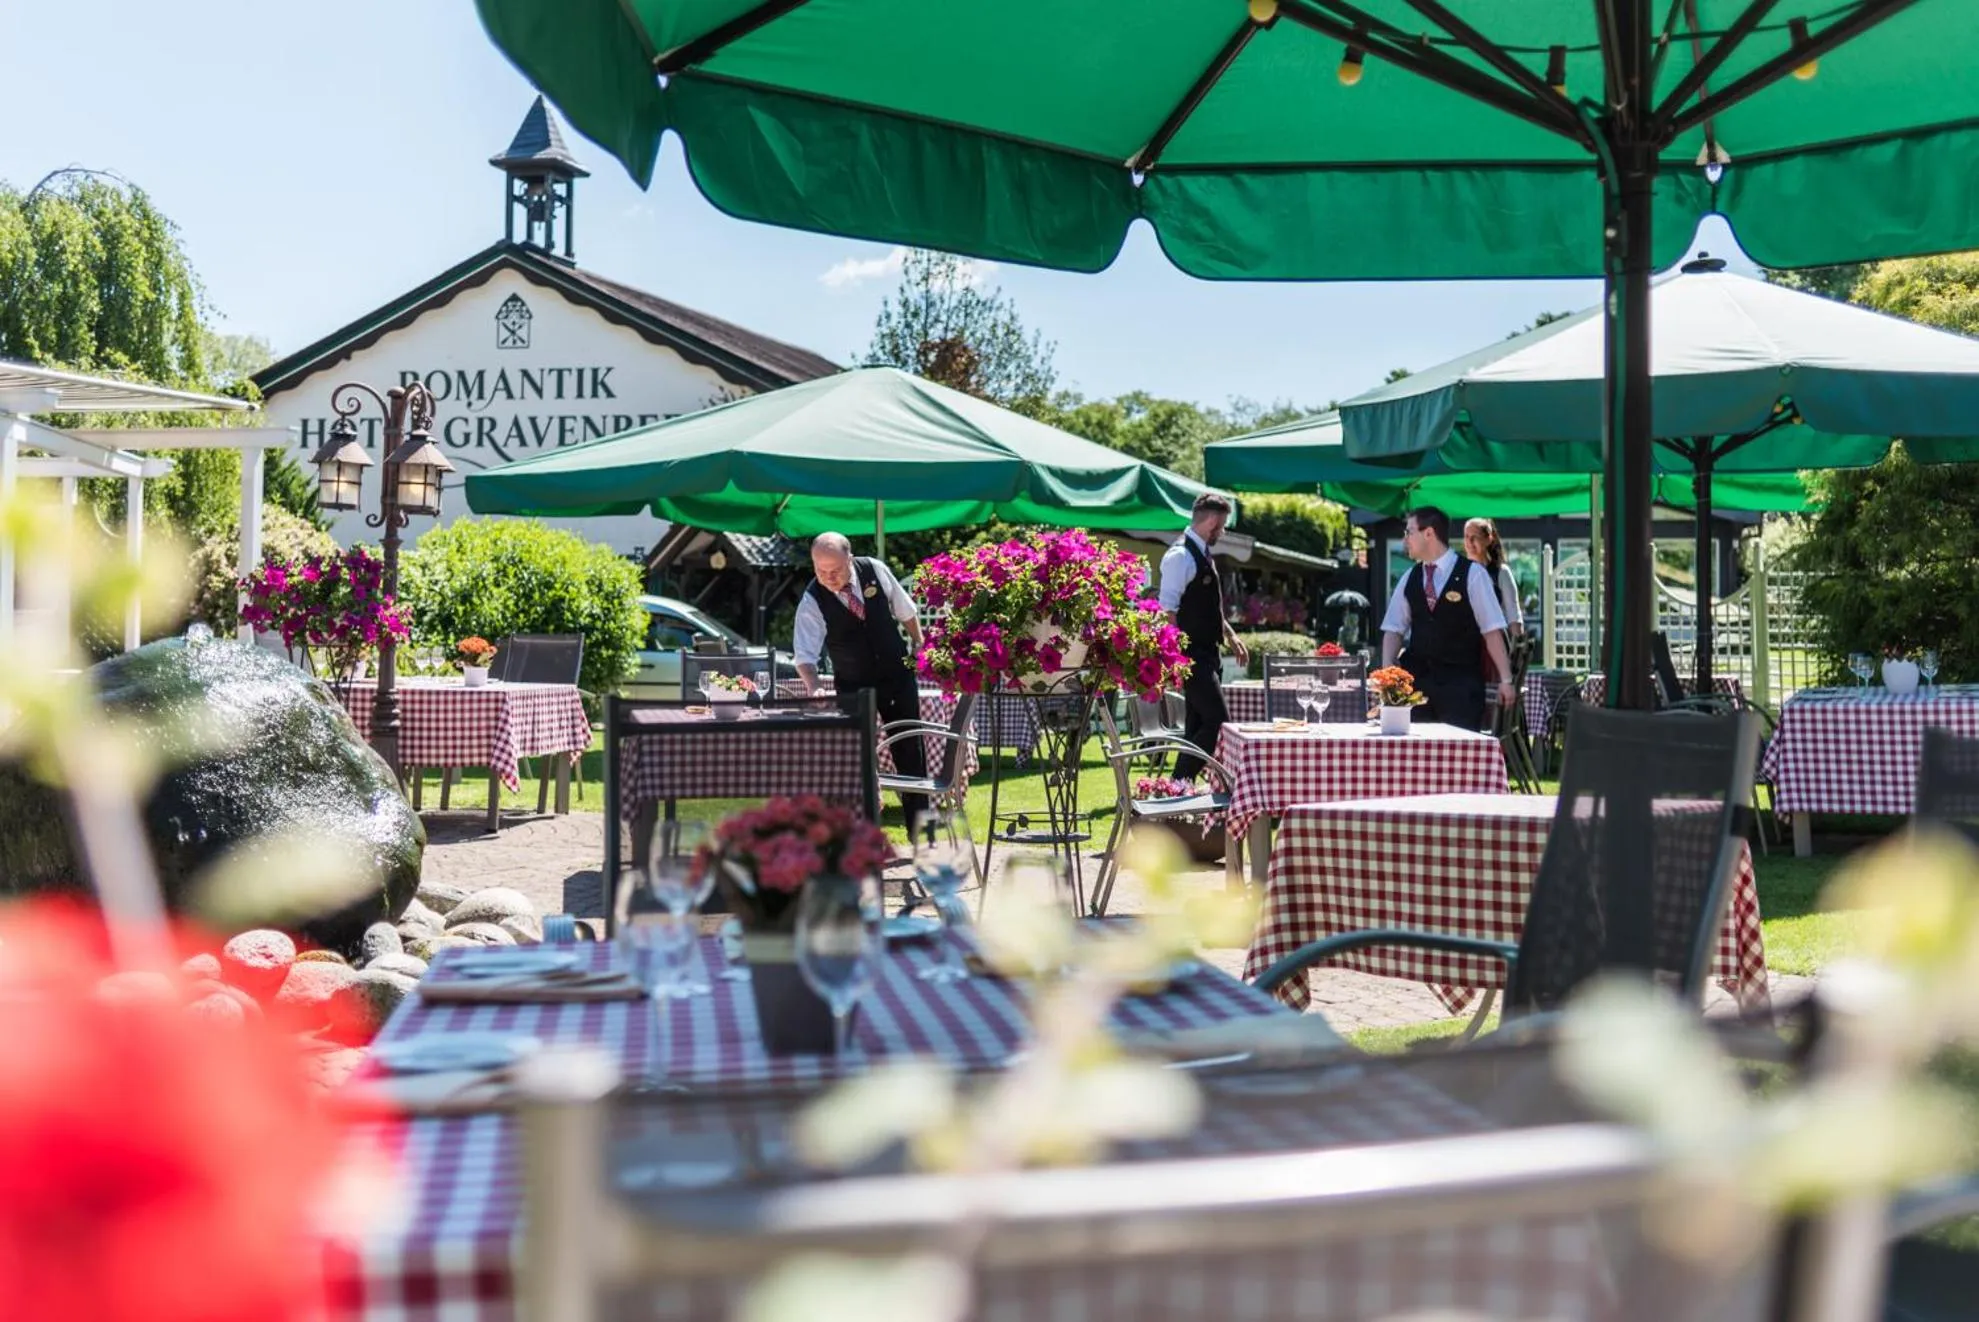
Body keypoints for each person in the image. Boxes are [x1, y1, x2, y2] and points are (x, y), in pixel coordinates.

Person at [794, 532, 929, 826]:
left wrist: (918, 641)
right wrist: (814, 686)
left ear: (850, 559)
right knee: (858, 760)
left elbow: (905, 609)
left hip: (897, 676)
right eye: (821, 570)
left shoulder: (874, 570)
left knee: (910, 752)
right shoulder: (812, 599)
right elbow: (804, 655)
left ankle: (922, 836)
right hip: (853, 686)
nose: (828, 577)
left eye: (836, 570)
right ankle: (865, 835)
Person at [1381, 506, 1515, 731]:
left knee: (1462, 761)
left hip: (1461, 689)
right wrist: (1386, 677)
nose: (1405, 540)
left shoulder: (1473, 574)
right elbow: (1393, 629)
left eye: (1409, 532)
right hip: (1417, 690)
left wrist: (1506, 680)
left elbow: (1492, 630)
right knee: (1417, 760)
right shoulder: (1409, 577)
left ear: (1429, 533)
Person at [1158, 493, 1249, 781]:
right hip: (1191, 655)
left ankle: (1178, 791)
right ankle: (1176, 784)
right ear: (1211, 520)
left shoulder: (1201, 554)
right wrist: (1174, 658)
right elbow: (1167, 612)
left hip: (1208, 653)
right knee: (1218, 723)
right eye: (1221, 525)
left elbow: (1208, 607)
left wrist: (1231, 636)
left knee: (1196, 725)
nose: (1222, 532)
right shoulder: (1181, 556)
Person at [1463, 517, 1525, 639]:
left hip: (1495, 643)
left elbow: (1513, 616)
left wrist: (1514, 650)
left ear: (1488, 539)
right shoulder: (1458, 573)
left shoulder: (1501, 572)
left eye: (1475, 537)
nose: (1469, 542)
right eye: (1466, 536)